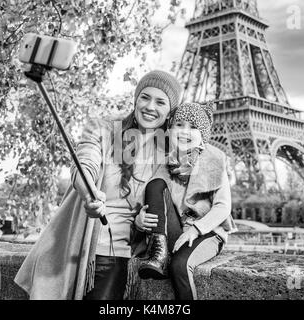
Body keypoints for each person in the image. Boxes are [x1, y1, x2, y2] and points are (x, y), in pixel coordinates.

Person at [14, 70, 182, 300]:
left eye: (160, 102)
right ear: (135, 99)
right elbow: (84, 165)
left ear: (169, 111)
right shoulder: (102, 128)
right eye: (145, 97)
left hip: (118, 254)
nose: (150, 106)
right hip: (83, 247)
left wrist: (141, 222)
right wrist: (88, 194)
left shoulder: (165, 151)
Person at [134, 102, 237, 300]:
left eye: (193, 127)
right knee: (155, 184)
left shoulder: (215, 159)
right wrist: (141, 221)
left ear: (203, 135)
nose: (184, 131)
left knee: (180, 266)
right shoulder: (165, 162)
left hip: (207, 232)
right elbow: (154, 201)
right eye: (179, 124)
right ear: (170, 129)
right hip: (176, 230)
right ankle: (159, 253)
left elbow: (223, 206)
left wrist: (196, 229)